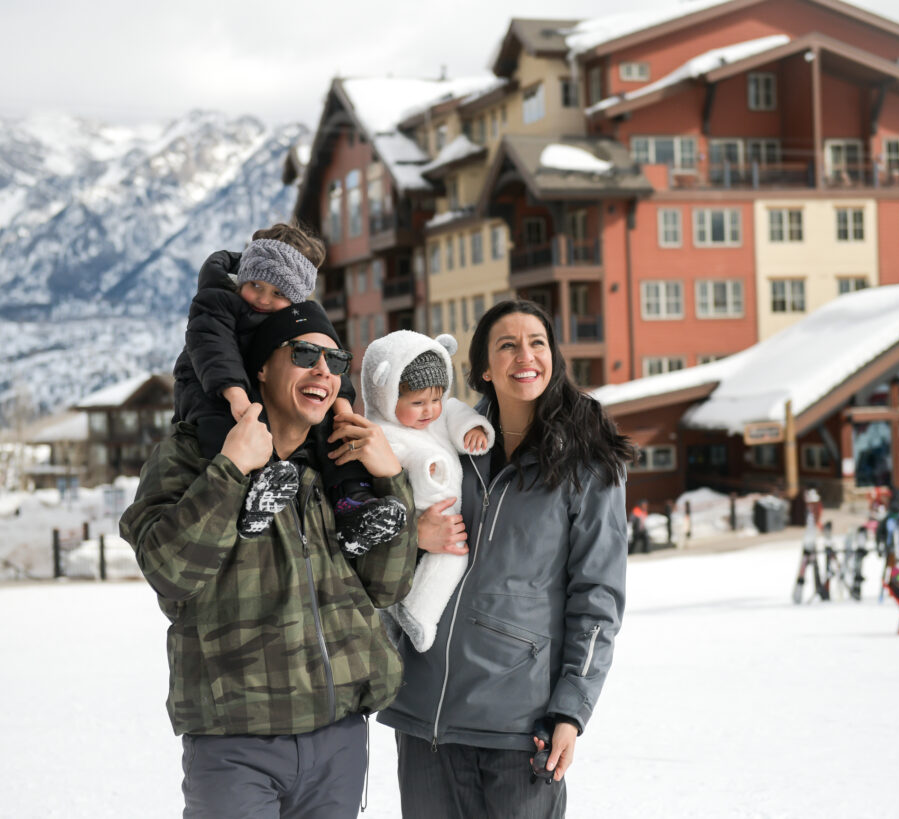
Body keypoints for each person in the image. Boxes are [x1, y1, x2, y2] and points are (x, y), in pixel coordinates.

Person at [120, 301, 418, 818]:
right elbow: (169, 572)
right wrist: (232, 468)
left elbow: (388, 586)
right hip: (237, 744)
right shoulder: (192, 456)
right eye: (304, 354)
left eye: (335, 360)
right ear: (261, 366)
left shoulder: (337, 467)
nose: (323, 372)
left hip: (337, 743)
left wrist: (391, 479)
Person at [378, 299, 633, 818]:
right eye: (508, 345)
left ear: (553, 358)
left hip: (521, 730)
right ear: (483, 369)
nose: (526, 355)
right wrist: (410, 535)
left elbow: (598, 598)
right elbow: (371, 538)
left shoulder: (587, 463)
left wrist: (571, 710)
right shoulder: (443, 444)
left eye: (537, 342)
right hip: (425, 716)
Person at [171, 222, 404, 551]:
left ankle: (353, 501)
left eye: (279, 293)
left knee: (331, 434)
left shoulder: (301, 320)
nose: (263, 300)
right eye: (255, 285)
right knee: (223, 425)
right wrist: (236, 396)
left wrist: (341, 410)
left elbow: (329, 360)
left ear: (296, 299)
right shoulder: (219, 299)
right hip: (208, 382)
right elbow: (214, 348)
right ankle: (254, 490)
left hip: (255, 386)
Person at [360, 329, 494, 652]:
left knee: (451, 561)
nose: (429, 411)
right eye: (417, 403)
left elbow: (456, 412)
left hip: (445, 517)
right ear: (387, 397)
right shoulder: (382, 431)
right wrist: (426, 466)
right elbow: (398, 458)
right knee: (444, 561)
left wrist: (471, 430)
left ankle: (415, 611)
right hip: (418, 516)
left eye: (435, 398)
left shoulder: (439, 414)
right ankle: (414, 614)